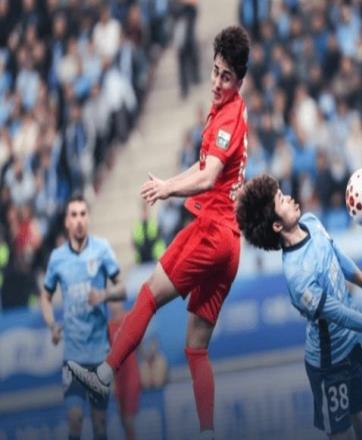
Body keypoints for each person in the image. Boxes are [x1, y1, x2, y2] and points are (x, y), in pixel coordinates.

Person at [68, 26, 250, 439]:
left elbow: (209, 176)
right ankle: (208, 433)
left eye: (226, 77)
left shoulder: (227, 116)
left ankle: (104, 375)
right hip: (229, 244)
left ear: (239, 81)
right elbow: (204, 167)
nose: (217, 82)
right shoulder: (230, 109)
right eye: (215, 71)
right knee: (196, 348)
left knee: (148, 295)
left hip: (211, 232)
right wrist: (169, 181)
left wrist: (168, 190)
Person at [236, 174, 362, 440]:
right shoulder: (297, 276)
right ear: (277, 226)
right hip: (329, 366)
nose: (290, 198)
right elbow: (339, 314)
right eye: (281, 199)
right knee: (343, 435)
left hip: (352, 348)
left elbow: (336, 255)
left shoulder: (311, 222)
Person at [40, 194, 125, 440]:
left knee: (100, 426)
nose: (78, 220)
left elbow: (122, 288)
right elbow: (45, 297)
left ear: (88, 218)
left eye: (82, 214)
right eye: (74, 215)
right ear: (67, 221)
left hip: (100, 355)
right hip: (73, 357)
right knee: (75, 420)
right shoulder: (57, 258)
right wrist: (52, 325)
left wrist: (104, 295)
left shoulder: (102, 250)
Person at [108, 302, 141, 440]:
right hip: (119, 379)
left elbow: (139, 345)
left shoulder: (130, 318)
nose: (114, 305)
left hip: (131, 376)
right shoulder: (108, 327)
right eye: (111, 302)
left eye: (116, 301)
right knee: (123, 420)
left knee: (128, 420)